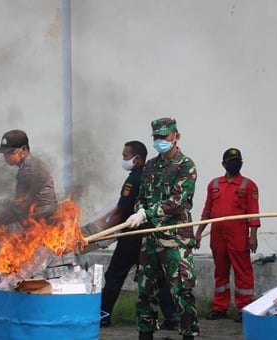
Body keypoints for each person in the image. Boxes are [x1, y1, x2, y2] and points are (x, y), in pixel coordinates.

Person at [125, 118, 199, 340]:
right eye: (156, 137)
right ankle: (145, 334)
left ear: (176, 136)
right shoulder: (150, 166)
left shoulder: (186, 165)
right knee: (145, 291)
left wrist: (148, 213)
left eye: (164, 137)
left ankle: (188, 335)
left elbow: (177, 200)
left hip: (176, 240)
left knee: (181, 292)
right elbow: (141, 197)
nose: (160, 141)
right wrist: (139, 211)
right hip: (151, 238)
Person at [0, 129, 73, 276]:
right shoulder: (27, 167)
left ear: (23, 149)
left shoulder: (30, 170)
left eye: (10, 152)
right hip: (36, 223)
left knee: (30, 272)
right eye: (4, 153)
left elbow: (18, 208)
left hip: (42, 225)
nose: (6, 157)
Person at [100, 141, 179, 329]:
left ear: (137, 159)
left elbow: (121, 210)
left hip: (133, 236)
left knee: (115, 274)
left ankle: (103, 315)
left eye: (125, 156)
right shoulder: (153, 176)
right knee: (159, 276)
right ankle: (173, 317)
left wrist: (103, 235)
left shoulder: (134, 179)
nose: (123, 160)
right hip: (152, 235)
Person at [195, 148, 260, 323]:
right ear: (224, 164)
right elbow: (207, 210)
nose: (235, 164)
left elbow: (253, 212)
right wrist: (199, 232)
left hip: (238, 233)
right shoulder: (214, 184)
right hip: (217, 234)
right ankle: (219, 307)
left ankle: (244, 307)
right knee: (220, 271)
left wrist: (252, 235)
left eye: (238, 160)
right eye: (231, 161)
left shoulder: (248, 185)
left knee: (242, 271)